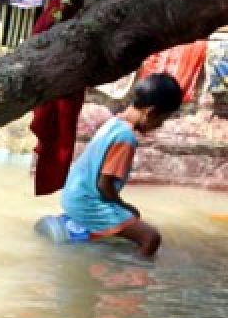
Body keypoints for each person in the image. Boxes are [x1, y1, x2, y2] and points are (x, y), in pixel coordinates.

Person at [59, 72, 183, 257]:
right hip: (87, 203)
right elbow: (104, 185)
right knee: (151, 238)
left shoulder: (113, 123)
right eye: (161, 120)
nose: (159, 125)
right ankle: (128, 274)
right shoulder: (126, 138)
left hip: (71, 196)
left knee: (132, 220)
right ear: (150, 112)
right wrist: (124, 206)